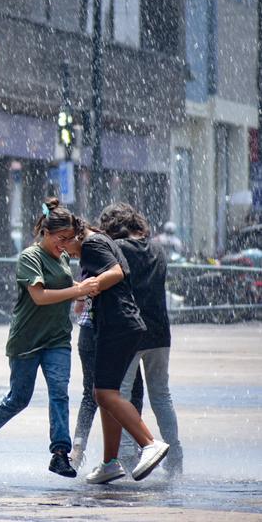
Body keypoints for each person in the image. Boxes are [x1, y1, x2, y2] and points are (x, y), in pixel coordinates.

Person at [0, 198, 99, 478]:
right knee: (19, 398)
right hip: (27, 340)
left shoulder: (62, 257)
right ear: (46, 233)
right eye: (60, 239)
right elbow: (39, 296)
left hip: (58, 338)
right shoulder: (30, 257)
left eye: (69, 240)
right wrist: (78, 291)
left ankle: (60, 454)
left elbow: (64, 286)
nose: (64, 245)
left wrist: (83, 289)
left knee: (59, 393)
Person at [68, 211, 171, 484]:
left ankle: (149, 443)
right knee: (106, 394)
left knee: (104, 394)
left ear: (69, 234)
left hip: (118, 324)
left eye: (60, 242)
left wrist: (87, 287)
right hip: (125, 324)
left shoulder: (92, 244)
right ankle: (111, 462)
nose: (61, 250)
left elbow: (117, 272)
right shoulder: (100, 241)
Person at [99, 203, 183, 477]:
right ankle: (175, 460)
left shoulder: (117, 249)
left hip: (130, 331)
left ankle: (125, 458)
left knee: (118, 395)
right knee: (162, 395)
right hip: (160, 331)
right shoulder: (158, 249)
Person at [70, 288, 146, 470]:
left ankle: (77, 451)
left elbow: (78, 308)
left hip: (88, 332)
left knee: (90, 394)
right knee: (132, 391)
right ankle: (130, 450)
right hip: (115, 334)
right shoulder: (120, 269)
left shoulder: (89, 267)